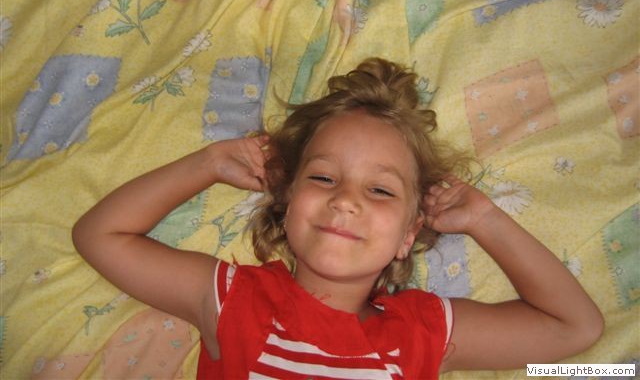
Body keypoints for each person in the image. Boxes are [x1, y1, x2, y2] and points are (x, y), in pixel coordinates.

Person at [73, 58, 603, 379]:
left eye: (380, 190)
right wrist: (207, 164)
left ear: (409, 234)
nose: (346, 200)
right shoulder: (234, 302)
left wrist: (486, 219)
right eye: (324, 178)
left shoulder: (420, 334)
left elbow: (575, 328)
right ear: (287, 201)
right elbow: (100, 235)